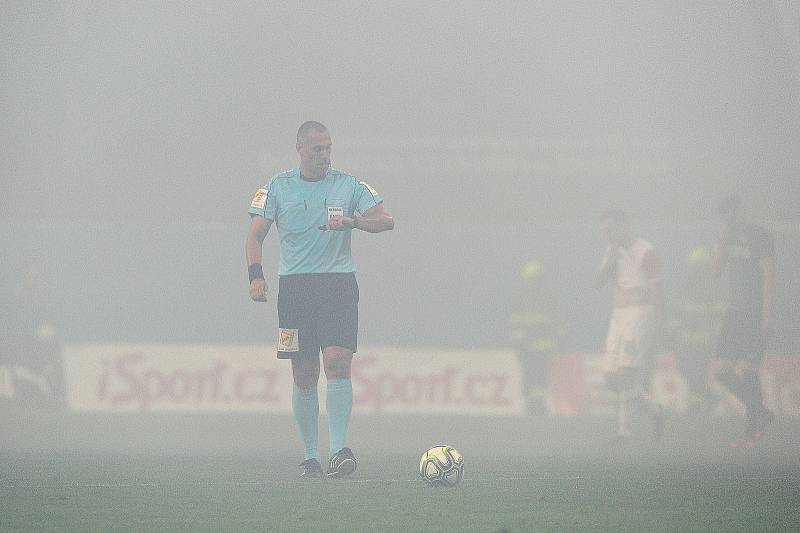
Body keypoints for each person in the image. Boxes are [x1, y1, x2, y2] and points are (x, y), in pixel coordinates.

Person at [245, 121, 394, 478]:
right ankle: (311, 456)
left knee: (339, 361)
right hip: (295, 290)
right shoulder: (277, 187)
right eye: (317, 149)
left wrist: (355, 222)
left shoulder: (349, 185)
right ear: (300, 148)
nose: (324, 155)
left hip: (337, 285)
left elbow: (386, 220)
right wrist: (256, 277)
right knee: (304, 372)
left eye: (328, 148)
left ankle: (340, 451)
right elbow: (254, 236)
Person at [594, 210, 665, 443]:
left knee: (626, 374)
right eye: (604, 230)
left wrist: (657, 322)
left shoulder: (645, 251)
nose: (607, 234)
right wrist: (609, 264)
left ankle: (623, 431)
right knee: (610, 379)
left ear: (625, 226)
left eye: (611, 229)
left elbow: (657, 289)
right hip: (618, 317)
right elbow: (597, 284)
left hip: (639, 315)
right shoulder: (612, 251)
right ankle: (656, 410)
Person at [711, 194, 775, 448]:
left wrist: (767, 316)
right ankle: (761, 412)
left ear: (741, 210)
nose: (729, 218)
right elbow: (715, 272)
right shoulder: (725, 237)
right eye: (724, 215)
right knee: (722, 371)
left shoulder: (759, 235)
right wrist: (723, 242)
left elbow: (769, 277)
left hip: (754, 310)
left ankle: (752, 429)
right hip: (734, 312)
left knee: (748, 370)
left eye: (732, 212)